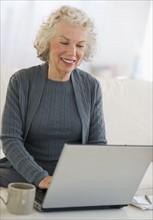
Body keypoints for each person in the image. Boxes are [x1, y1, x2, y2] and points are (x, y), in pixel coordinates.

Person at [0, 5, 107, 189]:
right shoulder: (21, 81)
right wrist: (40, 177)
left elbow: (97, 144)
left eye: (80, 45)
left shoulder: (91, 86)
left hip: (69, 178)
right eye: (64, 43)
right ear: (47, 42)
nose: (72, 52)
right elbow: (10, 139)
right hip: (23, 172)